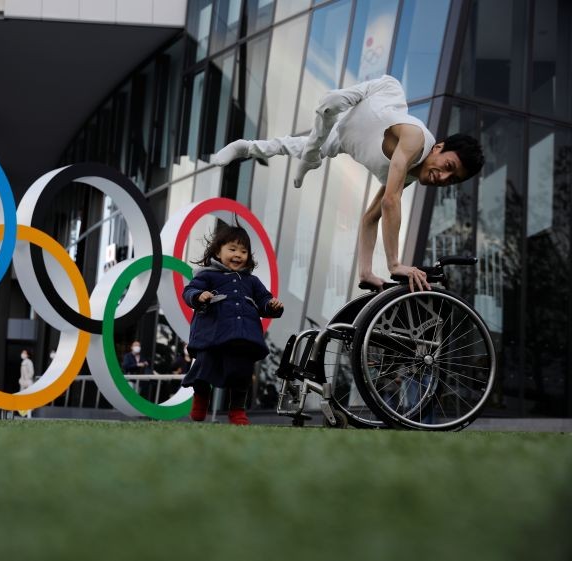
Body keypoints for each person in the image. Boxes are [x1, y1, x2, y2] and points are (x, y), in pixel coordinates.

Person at [212, 74, 484, 292]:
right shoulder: (414, 141)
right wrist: (395, 264)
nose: (444, 178)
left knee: (296, 146)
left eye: (453, 180)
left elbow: (369, 219)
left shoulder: (411, 174)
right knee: (329, 104)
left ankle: (247, 148)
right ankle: (294, 154)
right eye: (449, 167)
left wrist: (365, 272)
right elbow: (391, 201)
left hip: (342, 139)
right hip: (374, 97)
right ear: (438, 147)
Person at [182, 225, 284, 425]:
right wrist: (198, 296)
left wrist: (272, 306)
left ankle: (237, 411)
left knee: (242, 372)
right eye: (232, 249)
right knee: (204, 368)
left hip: (243, 336)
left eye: (243, 251)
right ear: (218, 252)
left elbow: (264, 300)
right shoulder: (207, 275)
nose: (238, 255)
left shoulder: (252, 281)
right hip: (211, 335)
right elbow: (189, 291)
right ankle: (201, 398)